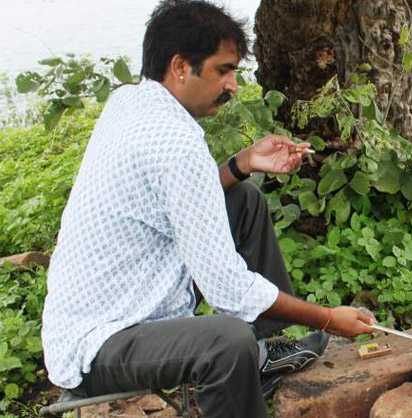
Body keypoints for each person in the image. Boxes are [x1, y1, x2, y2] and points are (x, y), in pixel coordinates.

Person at [41, 1, 374, 417]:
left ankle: (264, 354)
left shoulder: (131, 100)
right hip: (99, 344)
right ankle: (245, 358)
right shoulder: (176, 144)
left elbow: (180, 199)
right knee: (226, 342)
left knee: (243, 198)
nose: (233, 85)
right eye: (224, 70)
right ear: (181, 67)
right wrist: (327, 317)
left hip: (134, 298)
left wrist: (243, 163)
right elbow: (228, 288)